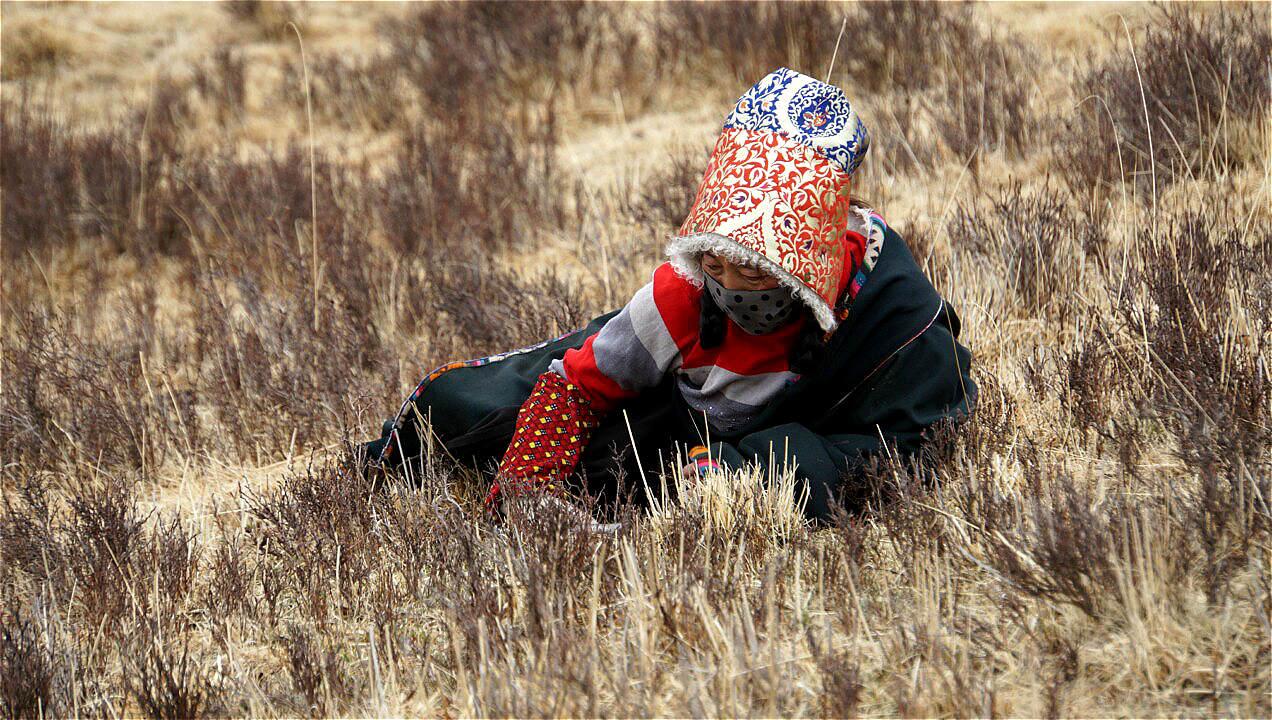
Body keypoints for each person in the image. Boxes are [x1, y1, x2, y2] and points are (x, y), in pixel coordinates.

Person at [354, 67, 976, 524]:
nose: (731, 288)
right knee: (466, 413)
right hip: (671, 416)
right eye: (717, 265)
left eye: (756, 271)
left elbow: (905, 448)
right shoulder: (683, 293)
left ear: (809, 262)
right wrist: (530, 496)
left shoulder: (899, 322)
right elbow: (578, 384)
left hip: (752, 443)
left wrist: (739, 474)